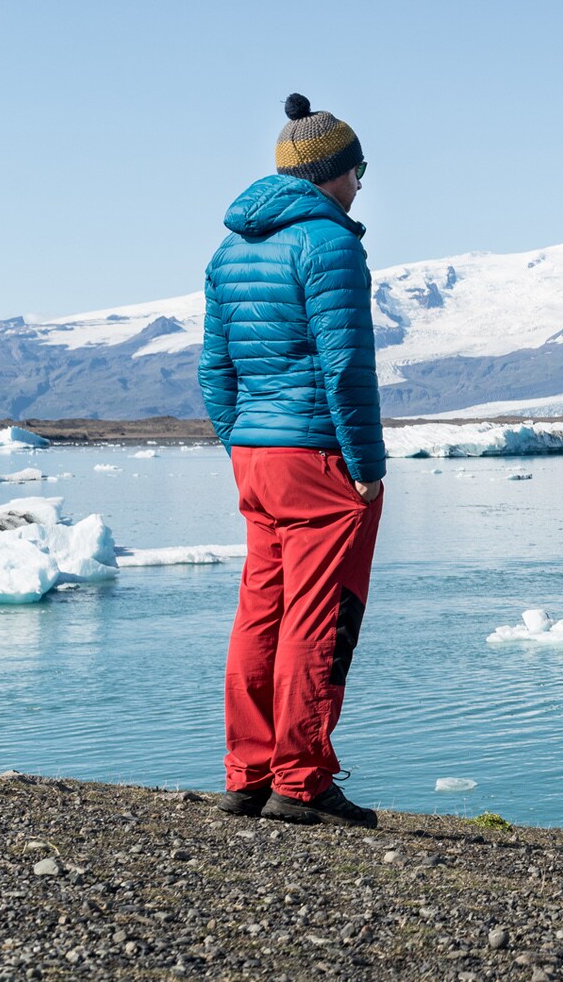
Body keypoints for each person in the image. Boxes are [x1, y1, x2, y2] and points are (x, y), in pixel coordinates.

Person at [198, 95, 386, 828]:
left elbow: (215, 370)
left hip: (257, 455)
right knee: (319, 615)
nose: (363, 184)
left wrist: (242, 441)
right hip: (318, 457)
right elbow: (346, 368)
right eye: (358, 169)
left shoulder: (229, 248)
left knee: (259, 612)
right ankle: (300, 780)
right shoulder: (329, 243)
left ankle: (247, 773)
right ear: (332, 173)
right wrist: (364, 463)